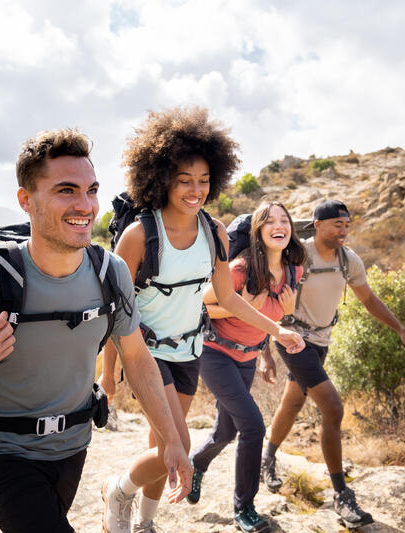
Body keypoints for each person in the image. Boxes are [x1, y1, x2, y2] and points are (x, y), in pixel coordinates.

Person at [0, 128, 192, 533]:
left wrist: (171, 439)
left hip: (72, 449)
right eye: (66, 190)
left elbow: (138, 357)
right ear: (26, 200)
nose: (85, 205)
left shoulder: (112, 273)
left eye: (91, 190)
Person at [98, 107, 305, 533]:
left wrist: (277, 330)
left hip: (189, 349)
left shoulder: (215, 232)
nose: (196, 190)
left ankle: (146, 522)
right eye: (184, 180)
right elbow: (114, 312)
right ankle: (118, 491)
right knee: (180, 443)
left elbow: (227, 296)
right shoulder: (139, 236)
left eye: (204, 181)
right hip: (145, 352)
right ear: (162, 180)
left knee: (161, 443)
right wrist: (109, 372)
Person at [262, 199, 405, 530]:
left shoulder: (349, 261)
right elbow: (266, 300)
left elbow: (369, 299)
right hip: (293, 337)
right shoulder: (297, 255)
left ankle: (268, 457)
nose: (344, 231)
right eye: (337, 224)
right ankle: (341, 495)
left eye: (347, 225)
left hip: (321, 341)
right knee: (333, 408)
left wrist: (401, 330)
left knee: (293, 402)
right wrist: (265, 351)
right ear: (318, 225)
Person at [187, 201, 306, 532]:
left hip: (248, 357)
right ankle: (245, 508)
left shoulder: (293, 272)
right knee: (253, 425)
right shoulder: (240, 269)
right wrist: (240, 307)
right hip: (215, 354)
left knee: (226, 431)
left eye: (284, 220)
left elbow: (267, 318)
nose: (278, 225)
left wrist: (266, 353)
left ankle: (197, 462)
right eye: (269, 221)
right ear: (258, 231)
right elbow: (199, 304)